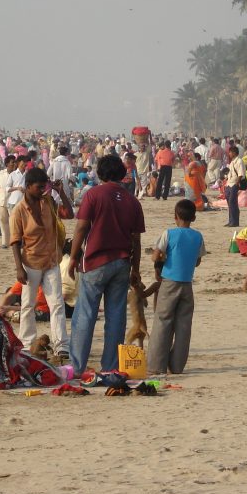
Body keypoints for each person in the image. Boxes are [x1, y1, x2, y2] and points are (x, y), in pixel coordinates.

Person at [68, 154, 145, 374]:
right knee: (116, 317)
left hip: (95, 261)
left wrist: (73, 257)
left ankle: (77, 366)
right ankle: (110, 365)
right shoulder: (132, 200)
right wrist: (136, 268)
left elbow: (81, 228)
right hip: (122, 262)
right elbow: (136, 239)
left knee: (85, 315)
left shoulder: (93, 195)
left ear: (100, 173)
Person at [10, 168, 73, 365]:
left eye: (44, 187)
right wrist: (19, 268)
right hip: (31, 262)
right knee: (28, 305)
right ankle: (27, 344)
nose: (42, 190)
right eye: (39, 187)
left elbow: (69, 213)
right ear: (28, 187)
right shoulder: (19, 211)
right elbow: (15, 241)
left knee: (57, 303)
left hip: (52, 260)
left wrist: (60, 192)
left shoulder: (48, 202)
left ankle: (61, 344)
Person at [147, 199, 205, 375]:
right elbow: (198, 261)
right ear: (193, 217)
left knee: (163, 322)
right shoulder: (198, 236)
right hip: (187, 284)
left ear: (175, 216)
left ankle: (156, 365)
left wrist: (163, 258)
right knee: (183, 325)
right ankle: (177, 366)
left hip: (169, 282)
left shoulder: (169, 233)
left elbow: (155, 256)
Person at [224, 146, 244, 228]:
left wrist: (237, 183)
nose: (229, 154)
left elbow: (241, 173)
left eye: (230, 152)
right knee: (230, 202)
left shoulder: (239, 161)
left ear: (234, 153)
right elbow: (230, 172)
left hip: (234, 184)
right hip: (229, 183)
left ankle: (235, 222)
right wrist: (226, 178)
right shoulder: (232, 162)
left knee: (233, 202)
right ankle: (231, 221)